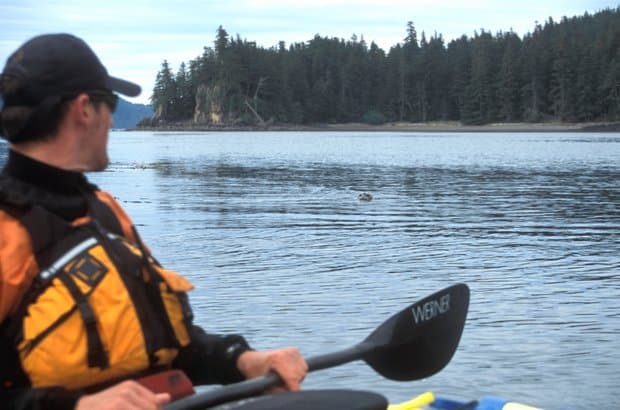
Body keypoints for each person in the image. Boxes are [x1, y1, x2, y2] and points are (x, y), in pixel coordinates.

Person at [0, 33, 307, 410]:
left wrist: (243, 360)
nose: (112, 121)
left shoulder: (104, 212)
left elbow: (169, 345)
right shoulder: (6, 230)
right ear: (83, 108)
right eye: (109, 104)